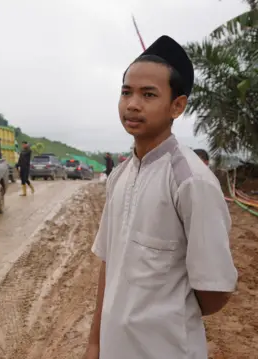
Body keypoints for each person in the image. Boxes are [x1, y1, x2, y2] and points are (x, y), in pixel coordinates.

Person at [83, 35, 238, 359]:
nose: (132, 104)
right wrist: (95, 343)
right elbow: (108, 265)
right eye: (126, 92)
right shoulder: (119, 176)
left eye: (148, 94)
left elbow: (215, 291)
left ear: (177, 106)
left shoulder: (191, 181)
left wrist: (164, 313)